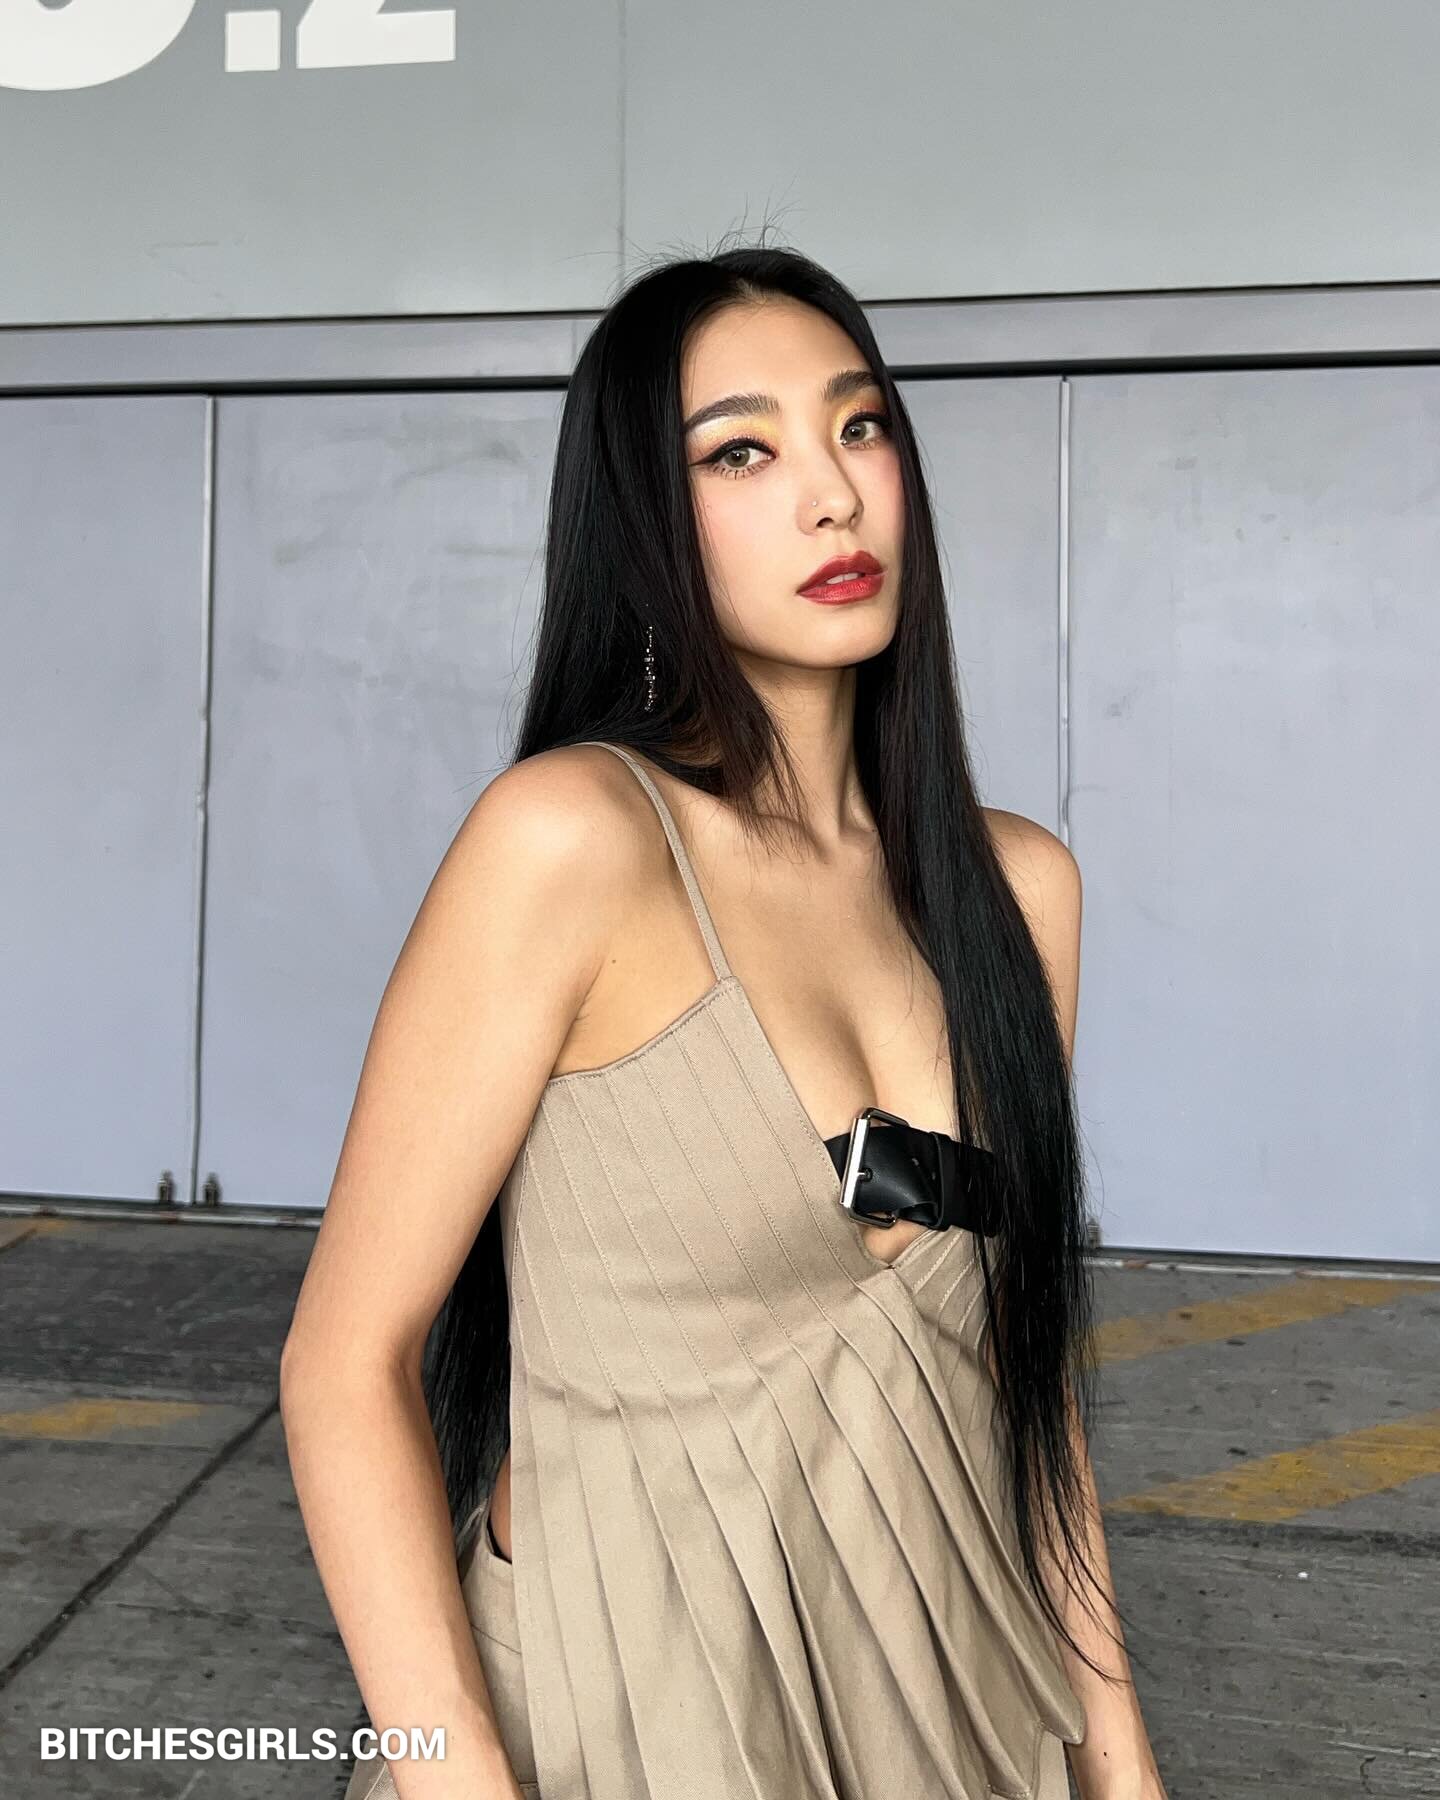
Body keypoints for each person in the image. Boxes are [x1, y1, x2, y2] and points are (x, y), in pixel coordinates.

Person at [280, 237, 1169, 1800]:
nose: (833, 494)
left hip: (947, 1717)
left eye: (860, 426)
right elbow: (345, 1365)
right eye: (741, 452)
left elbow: (1026, 1386)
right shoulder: (572, 845)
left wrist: (1124, 1767)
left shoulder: (1019, 894)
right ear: (644, 520)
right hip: (614, 1717)